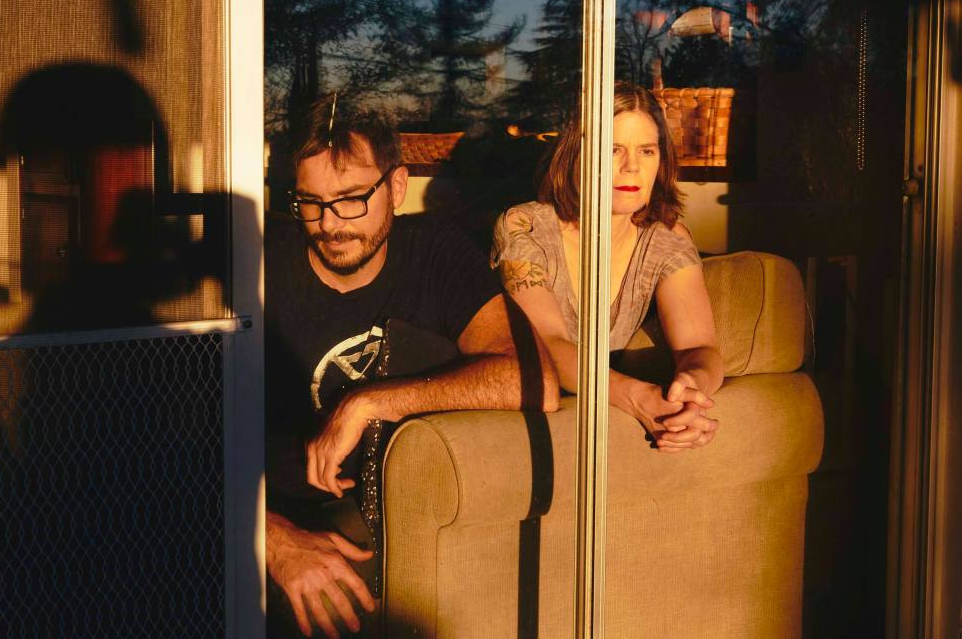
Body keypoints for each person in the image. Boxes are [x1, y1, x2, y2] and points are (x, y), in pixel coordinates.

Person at [266, 97, 559, 638]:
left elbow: (536, 381)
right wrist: (269, 540)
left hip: (411, 521)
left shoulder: (436, 252)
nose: (330, 224)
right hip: (285, 518)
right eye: (311, 202)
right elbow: (168, 441)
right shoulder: (261, 265)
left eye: (352, 199)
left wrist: (368, 401)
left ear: (397, 188)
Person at [493, 81, 723, 452]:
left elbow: (700, 346)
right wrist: (637, 397)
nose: (632, 166)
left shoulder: (667, 237)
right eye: (613, 149)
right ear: (577, 155)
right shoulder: (525, 226)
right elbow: (548, 344)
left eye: (647, 151)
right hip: (530, 404)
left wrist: (691, 389)